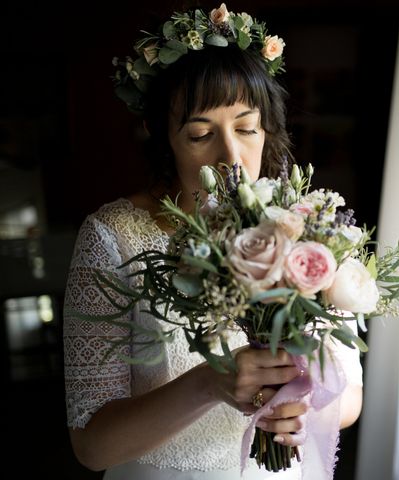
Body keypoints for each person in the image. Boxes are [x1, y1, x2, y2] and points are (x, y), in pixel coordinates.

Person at [63, 4, 363, 479]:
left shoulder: (307, 228)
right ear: (161, 136)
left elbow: (349, 399)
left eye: (246, 129)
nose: (231, 156)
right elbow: (91, 445)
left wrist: (301, 403)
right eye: (201, 134)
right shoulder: (113, 237)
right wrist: (209, 383)